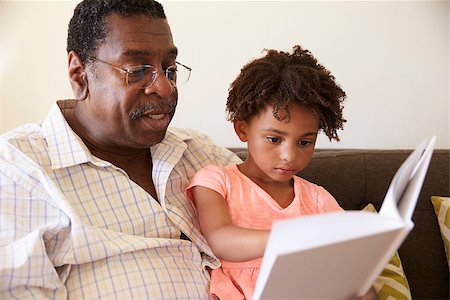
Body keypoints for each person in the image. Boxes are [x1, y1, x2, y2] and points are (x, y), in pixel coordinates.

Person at [0, 0, 241, 298]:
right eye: (137, 70)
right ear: (79, 74)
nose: (164, 88)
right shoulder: (18, 168)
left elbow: (286, 221)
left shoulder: (198, 151)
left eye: (169, 68)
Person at [186, 46, 377, 300]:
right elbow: (221, 240)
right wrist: (293, 236)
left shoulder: (317, 198)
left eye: (304, 142)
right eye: (275, 139)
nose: (290, 156)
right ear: (242, 130)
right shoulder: (216, 180)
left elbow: (345, 255)